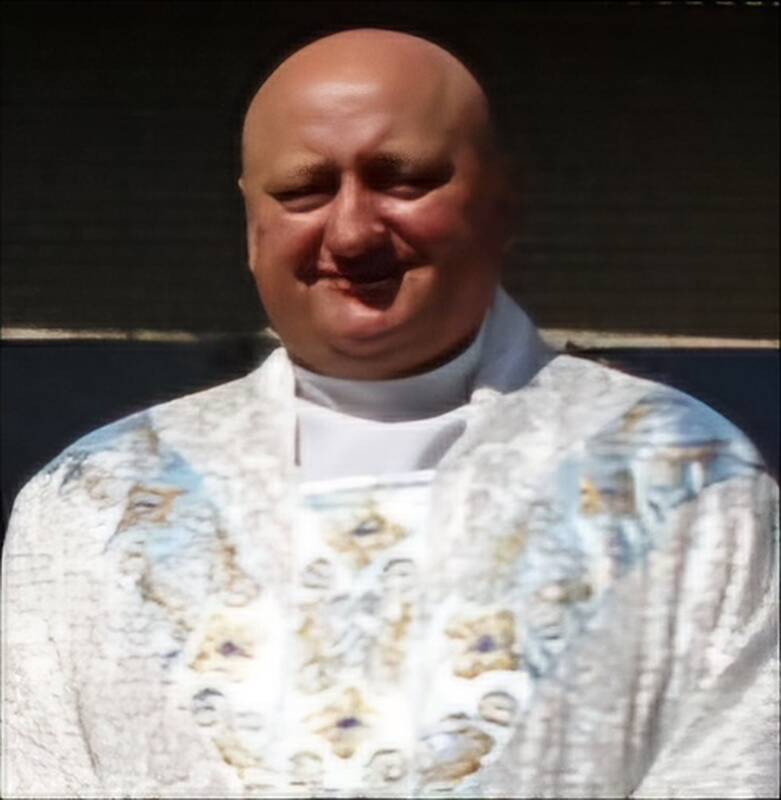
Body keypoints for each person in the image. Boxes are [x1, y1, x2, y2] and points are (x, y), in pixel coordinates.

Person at [2, 28, 777, 799]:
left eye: (402, 180)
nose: (351, 232)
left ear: (502, 202)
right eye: (302, 190)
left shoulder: (688, 485)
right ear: (250, 224)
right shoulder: (94, 505)